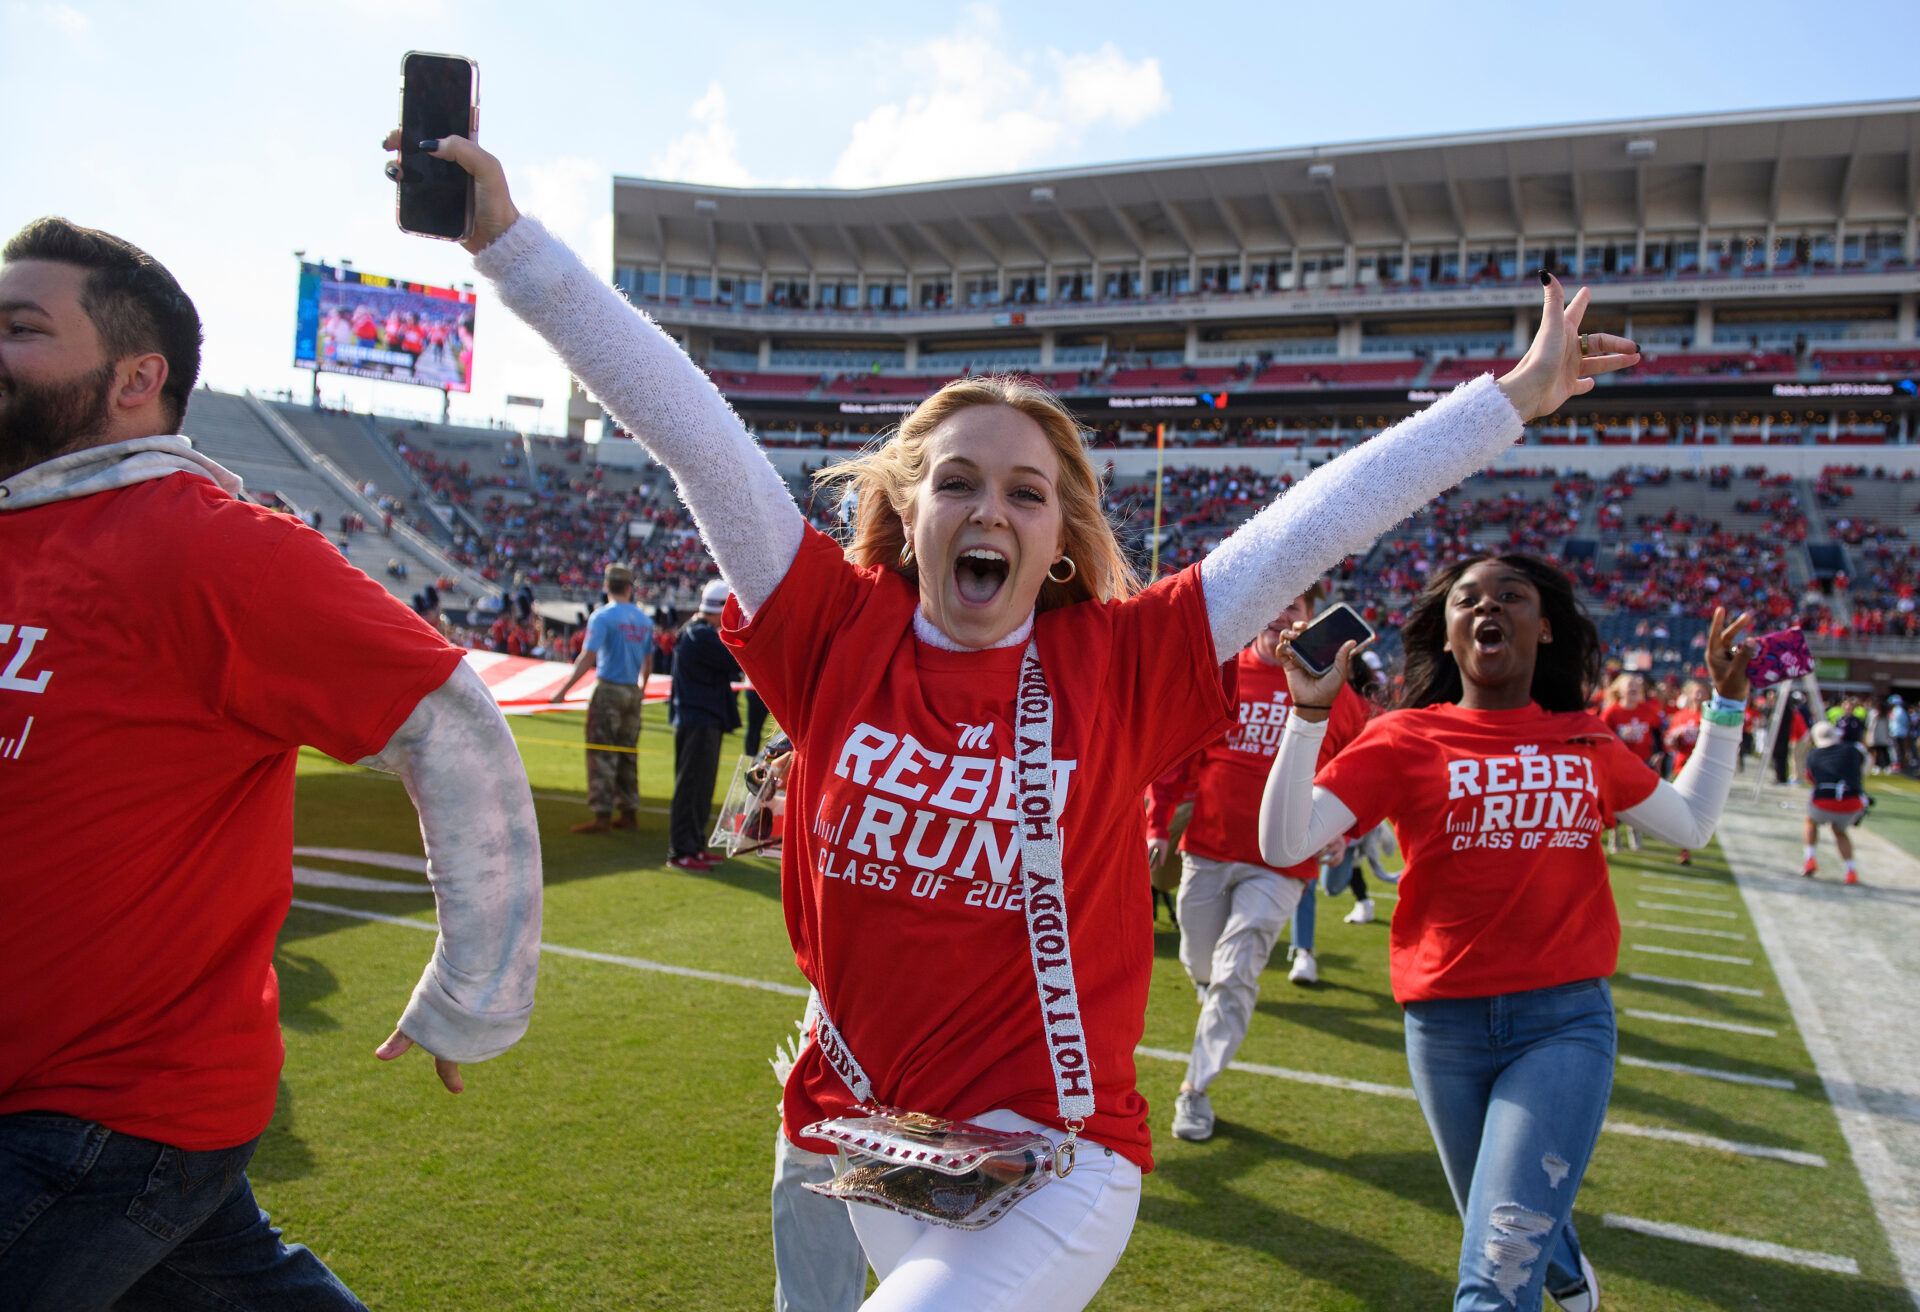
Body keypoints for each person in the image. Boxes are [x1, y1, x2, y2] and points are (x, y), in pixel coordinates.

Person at [402, 125, 1636, 1310]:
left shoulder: (1124, 659)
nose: (990, 508)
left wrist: (1511, 398)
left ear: (1059, 541)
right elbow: (694, 435)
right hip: (858, 1135)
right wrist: (508, 245)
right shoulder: (834, 630)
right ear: (910, 512)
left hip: (1053, 1159)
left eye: (1027, 492)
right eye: (958, 481)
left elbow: (1319, 518)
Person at [0, 218, 543, 1306]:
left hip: (107, 1109)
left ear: (135, 378)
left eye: (21, 328)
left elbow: (449, 722)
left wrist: (478, 991)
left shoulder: (212, 545)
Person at [1261, 556, 1753, 1312]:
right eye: (1467, 600)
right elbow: (1284, 842)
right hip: (1444, 1027)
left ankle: (1546, 1267)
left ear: (1544, 627)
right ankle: (1566, 1268)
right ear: (1447, 634)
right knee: (1497, 1224)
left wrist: (1726, 705)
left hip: (1564, 1024)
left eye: (1510, 596)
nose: (1487, 608)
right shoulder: (1403, 737)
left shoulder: (1585, 741)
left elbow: (1691, 824)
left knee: (1493, 1274)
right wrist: (1307, 715)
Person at [1142, 586, 1370, 1143]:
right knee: (1200, 959)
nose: (1280, 613)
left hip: (1281, 864)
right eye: (1275, 599)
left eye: (1295, 605)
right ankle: (1210, 989)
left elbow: (1361, 765)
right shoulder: (1223, 670)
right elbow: (1177, 756)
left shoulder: (1335, 692)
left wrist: (1344, 829)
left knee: (1237, 970)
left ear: (1310, 620)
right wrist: (1158, 824)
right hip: (1209, 846)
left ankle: (1195, 1089)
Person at [551, 562, 655, 834]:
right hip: (632, 692)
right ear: (629, 587)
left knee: (601, 752)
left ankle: (602, 816)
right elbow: (648, 661)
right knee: (627, 753)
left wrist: (563, 691)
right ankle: (629, 813)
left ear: (606, 585)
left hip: (609, 690)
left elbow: (588, 657)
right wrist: (641, 689)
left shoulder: (603, 617)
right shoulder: (644, 620)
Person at [667, 579, 742, 871]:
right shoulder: (700, 635)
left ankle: (694, 846)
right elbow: (736, 658)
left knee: (701, 787)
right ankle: (681, 851)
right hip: (697, 720)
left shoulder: (699, 633)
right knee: (692, 787)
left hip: (702, 719)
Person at [1599, 673, 1662, 852]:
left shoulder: (1647, 709)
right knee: (1616, 799)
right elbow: (1602, 736)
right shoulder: (1611, 711)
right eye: (1629, 684)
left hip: (1641, 762)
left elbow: (1657, 730)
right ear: (1619, 690)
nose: (1634, 687)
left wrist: (1659, 752)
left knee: (1638, 799)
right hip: (1617, 764)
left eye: (1636, 685)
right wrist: (1619, 735)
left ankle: (1634, 829)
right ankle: (1615, 832)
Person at [1803, 719, 1869, 884]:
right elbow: (1865, 766)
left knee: (1810, 821)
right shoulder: (1852, 750)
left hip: (1823, 801)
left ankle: (1810, 858)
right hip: (1852, 802)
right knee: (1839, 831)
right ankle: (1851, 870)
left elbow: (1810, 778)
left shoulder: (1814, 755)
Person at [1664, 680, 1705, 865]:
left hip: (1702, 768)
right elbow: (1669, 742)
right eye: (1696, 692)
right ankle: (1685, 849)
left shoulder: (1709, 718)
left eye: (1702, 692)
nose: (1699, 696)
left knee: (1698, 809)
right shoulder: (1680, 716)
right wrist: (1674, 738)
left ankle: (1689, 842)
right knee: (1683, 806)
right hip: (1682, 765)